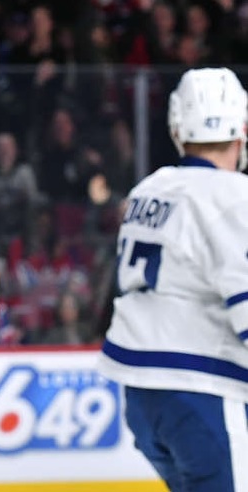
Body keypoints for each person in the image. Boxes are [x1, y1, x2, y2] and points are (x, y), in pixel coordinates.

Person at [98, 67, 248, 492]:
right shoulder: (236, 195)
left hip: (142, 393)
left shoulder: (150, 188)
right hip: (204, 386)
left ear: (178, 128)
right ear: (242, 128)